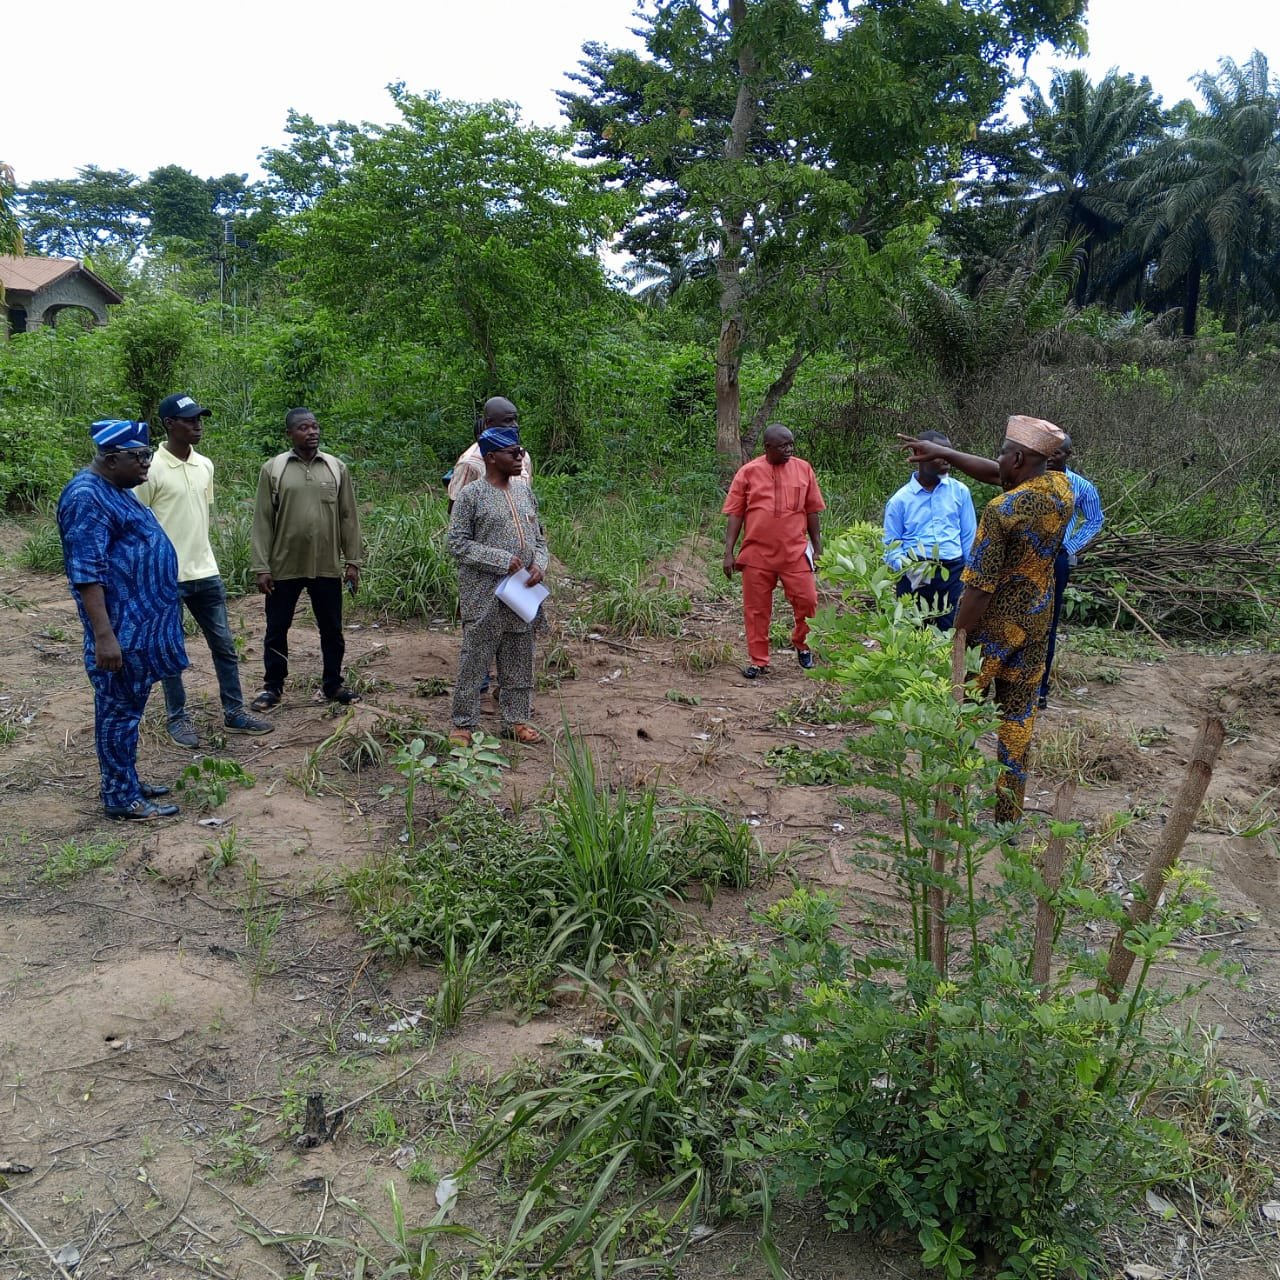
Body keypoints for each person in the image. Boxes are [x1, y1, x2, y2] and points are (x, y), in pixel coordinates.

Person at [900, 417, 1073, 825]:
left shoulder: (1002, 510)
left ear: (1016, 458)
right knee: (1017, 721)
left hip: (991, 634)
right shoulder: (1061, 489)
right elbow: (998, 472)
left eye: (1002, 453)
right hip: (1035, 626)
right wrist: (945, 453)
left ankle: (950, 809)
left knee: (960, 716)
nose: (996, 461)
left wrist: (957, 636)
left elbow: (978, 587)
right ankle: (1008, 820)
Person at [57, 420, 188, 820]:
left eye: (148, 454)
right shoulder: (86, 497)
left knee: (127, 711)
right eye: (140, 456)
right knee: (119, 712)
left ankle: (125, 779)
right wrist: (104, 636)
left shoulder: (115, 488)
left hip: (140, 629)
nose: (148, 463)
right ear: (112, 460)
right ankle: (120, 796)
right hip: (121, 632)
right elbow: (86, 572)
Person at [133, 393, 274, 745]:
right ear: (168, 424)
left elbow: (199, 516)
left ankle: (234, 712)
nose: (198, 425)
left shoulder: (205, 465)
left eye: (200, 418)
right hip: (166, 576)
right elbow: (140, 523)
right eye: (189, 419)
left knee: (224, 645)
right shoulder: (149, 468)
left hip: (205, 570)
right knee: (170, 651)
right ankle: (177, 719)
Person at [249, 408, 362, 711]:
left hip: (326, 565)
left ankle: (333, 684)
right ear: (290, 434)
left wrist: (353, 562)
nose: (311, 432)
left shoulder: (336, 467)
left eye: (314, 427)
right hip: (284, 565)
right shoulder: (274, 469)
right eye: (303, 428)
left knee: (331, 628)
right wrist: (261, 567)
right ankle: (272, 687)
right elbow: (262, 520)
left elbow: (348, 517)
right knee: (277, 628)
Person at [447, 423, 548, 746]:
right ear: (491, 458)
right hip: (484, 594)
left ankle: (515, 720)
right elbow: (457, 544)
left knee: (519, 658)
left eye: (520, 451)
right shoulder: (471, 496)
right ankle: (463, 724)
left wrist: (539, 566)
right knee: (474, 659)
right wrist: (500, 560)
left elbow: (540, 539)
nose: (520, 457)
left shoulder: (523, 492)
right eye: (512, 453)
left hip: (521, 592)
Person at [723, 424, 825, 679]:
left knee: (808, 600)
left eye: (791, 444)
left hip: (795, 551)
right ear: (767, 447)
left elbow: (812, 510)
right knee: (756, 609)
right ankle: (758, 660)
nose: (789, 449)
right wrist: (728, 552)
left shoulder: (804, 469)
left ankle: (802, 644)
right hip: (757, 553)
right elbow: (735, 514)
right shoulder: (748, 473)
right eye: (783, 446)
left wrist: (818, 548)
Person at [882, 429, 977, 630]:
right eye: (939, 454)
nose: (947, 460)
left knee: (951, 631)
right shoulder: (900, 500)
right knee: (912, 633)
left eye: (949, 454)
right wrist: (908, 568)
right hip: (914, 574)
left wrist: (970, 575)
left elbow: (969, 536)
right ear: (920, 455)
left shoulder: (960, 491)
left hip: (952, 573)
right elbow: (891, 546)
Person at [1038, 433, 1104, 709]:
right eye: (1048, 451)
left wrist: (1069, 546)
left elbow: (1094, 519)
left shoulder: (1080, 486)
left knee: (1048, 621)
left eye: (1058, 452)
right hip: (1024, 555)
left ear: (1068, 454)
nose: (1052, 456)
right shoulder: (1030, 478)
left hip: (1056, 558)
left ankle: (1040, 688)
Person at [447, 397, 533, 513]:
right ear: (488, 423)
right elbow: (455, 510)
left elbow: (528, 502)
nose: (515, 425)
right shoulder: (470, 462)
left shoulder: (523, 456)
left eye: (515, 420)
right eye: (508, 420)